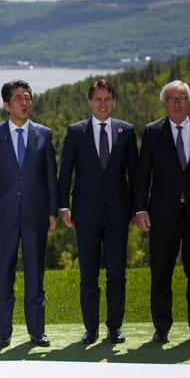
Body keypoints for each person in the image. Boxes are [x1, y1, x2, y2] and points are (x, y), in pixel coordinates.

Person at [134, 80, 190, 345]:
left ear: (189, 101)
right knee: (161, 274)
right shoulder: (152, 132)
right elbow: (142, 176)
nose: (176, 103)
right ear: (164, 104)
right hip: (162, 216)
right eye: (171, 99)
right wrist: (140, 209)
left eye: (181, 98)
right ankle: (161, 328)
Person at [57, 79, 138, 345]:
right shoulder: (76, 131)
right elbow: (65, 171)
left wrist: (138, 209)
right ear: (90, 102)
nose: (103, 104)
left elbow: (135, 175)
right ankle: (90, 328)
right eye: (98, 99)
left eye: (107, 99)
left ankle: (114, 327)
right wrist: (63, 206)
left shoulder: (126, 132)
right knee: (88, 274)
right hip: (85, 214)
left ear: (114, 102)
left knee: (117, 274)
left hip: (118, 214)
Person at [0, 79, 57, 348]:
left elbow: (50, 176)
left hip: (36, 215)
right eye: (19, 99)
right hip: (4, 216)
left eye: (28, 98)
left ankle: (37, 331)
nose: (25, 103)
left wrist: (53, 211)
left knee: (36, 276)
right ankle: (4, 332)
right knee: (4, 276)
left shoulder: (44, 134)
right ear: (6, 105)